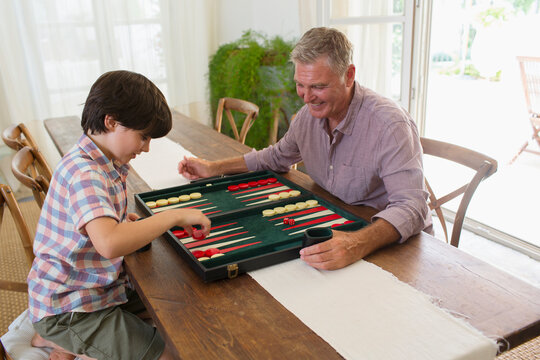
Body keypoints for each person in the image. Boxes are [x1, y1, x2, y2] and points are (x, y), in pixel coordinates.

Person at [178, 27, 431, 271]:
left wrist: (356, 243)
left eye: (318, 86)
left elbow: (412, 206)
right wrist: (213, 168)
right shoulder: (306, 118)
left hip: (392, 245)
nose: (307, 97)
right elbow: (276, 158)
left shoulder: (389, 125)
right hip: (338, 223)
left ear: (349, 75)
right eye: (301, 85)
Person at [27, 70, 210, 360]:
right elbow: (110, 243)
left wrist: (122, 223)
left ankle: (60, 339)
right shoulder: (85, 173)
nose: (146, 147)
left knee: (178, 302)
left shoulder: (100, 161)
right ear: (111, 122)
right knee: (170, 352)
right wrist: (173, 216)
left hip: (93, 288)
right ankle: (60, 334)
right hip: (71, 308)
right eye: (143, 137)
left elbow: (100, 225)